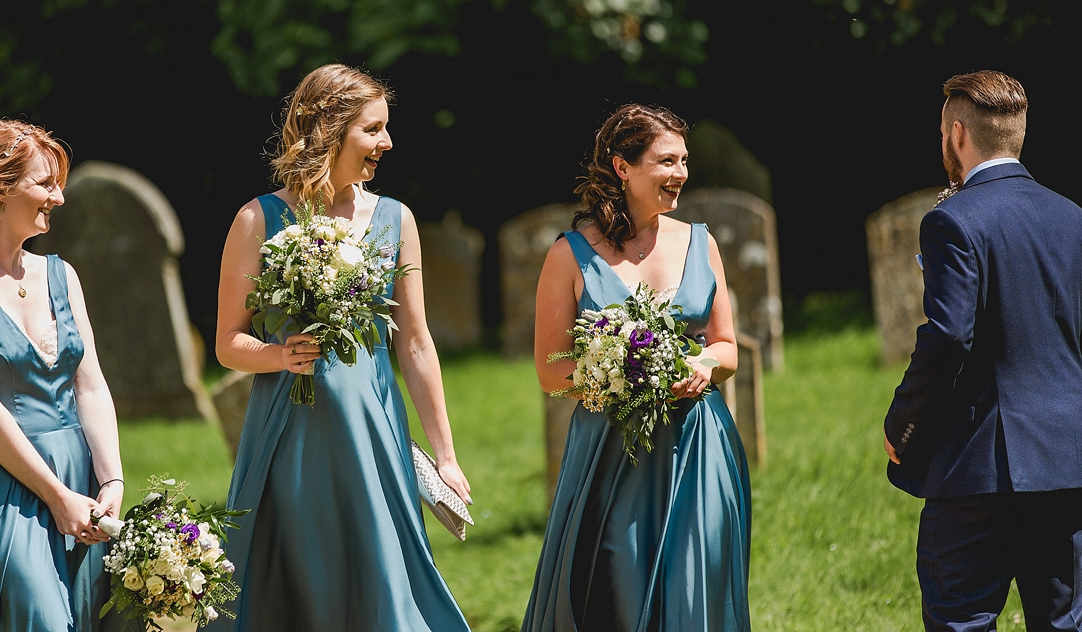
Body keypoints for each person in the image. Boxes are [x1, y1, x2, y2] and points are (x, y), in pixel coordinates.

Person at [211, 64, 472, 631]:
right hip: (290, 431)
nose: (387, 142)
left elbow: (417, 344)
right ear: (328, 131)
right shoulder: (258, 219)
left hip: (373, 426)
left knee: (384, 576)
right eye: (373, 129)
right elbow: (228, 343)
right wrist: (278, 355)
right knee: (301, 578)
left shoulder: (396, 219)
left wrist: (445, 455)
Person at [522, 104, 752, 632]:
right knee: (615, 594)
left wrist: (702, 362)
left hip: (697, 446)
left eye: (684, 161)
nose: (680, 175)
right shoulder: (570, 255)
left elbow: (727, 347)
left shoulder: (701, 242)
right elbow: (550, 371)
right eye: (666, 161)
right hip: (612, 454)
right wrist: (622, 375)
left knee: (695, 590)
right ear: (623, 168)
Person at [884, 71, 1082, 630]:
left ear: (956, 134)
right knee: (1064, 622)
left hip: (980, 468)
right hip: (1067, 464)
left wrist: (903, 424)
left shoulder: (953, 219)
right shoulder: (1073, 218)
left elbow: (949, 336)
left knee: (961, 621)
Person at [0, 120, 124, 631]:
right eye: (44, 183)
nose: (58, 196)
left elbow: (90, 384)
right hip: (5, 484)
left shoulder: (62, 273)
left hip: (81, 480)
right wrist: (58, 498)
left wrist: (111, 478)